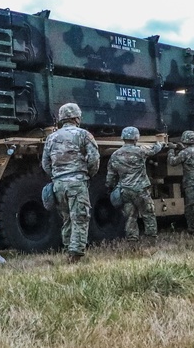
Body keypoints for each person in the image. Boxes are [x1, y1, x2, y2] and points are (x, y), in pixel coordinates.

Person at [41, 103, 101, 261]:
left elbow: (45, 163)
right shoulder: (83, 134)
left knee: (67, 217)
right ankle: (75, 254)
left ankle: (68, 247)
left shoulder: (51, 138)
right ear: (77, 117)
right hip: (77, 182)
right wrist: (88, 174)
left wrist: (57, 175)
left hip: (58, 184)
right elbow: (94, 159)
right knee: (80, 217)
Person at [106, 126, 165, 241]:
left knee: (130, 217)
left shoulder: (115, 155)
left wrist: (109, 187)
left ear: (123, 138)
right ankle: (151, 240)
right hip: (140, 190)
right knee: (148, 214)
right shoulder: (140, 151)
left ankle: (132, 240)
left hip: (125, 190)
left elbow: (111, 175)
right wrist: (160, 143)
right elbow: (154, 149)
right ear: (136, 138)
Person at [168, 129, 194, 234]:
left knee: (191, 208)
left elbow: (172, 162)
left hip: (190, 184)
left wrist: (171, 150)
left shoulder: (185, 152)